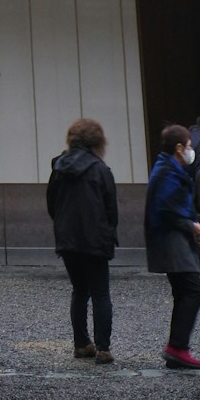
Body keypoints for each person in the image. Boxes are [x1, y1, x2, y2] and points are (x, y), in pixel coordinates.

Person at [47, 117, 119, 362]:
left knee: (79, 290)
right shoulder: (101, 170)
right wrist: (109, 234)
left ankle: (81, 344)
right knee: (100, 293)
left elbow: (51, 204)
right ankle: (103, 348)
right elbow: (112, 209)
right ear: (98, 142)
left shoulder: (59, 169)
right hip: (95, 240)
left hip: (67, 239)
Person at [145, 122, 200, 369]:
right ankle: (177, 347)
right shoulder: (166, 172)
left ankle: (177, 347)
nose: (191, 151)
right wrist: (190, 225)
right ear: (179, 148)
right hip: (171, 239)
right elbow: (167, 209)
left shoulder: (167, 168)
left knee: (184, 292)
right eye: (189, 146)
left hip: (172, 237)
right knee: (193, 291)